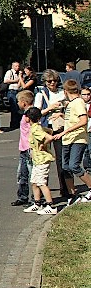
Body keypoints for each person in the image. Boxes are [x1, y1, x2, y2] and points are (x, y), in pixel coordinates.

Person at [33, 70, 71, 201]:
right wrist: (50, 108)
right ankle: (41, 191)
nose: (53, 83)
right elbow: (36, 113)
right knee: (42, 160)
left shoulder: (62, 92)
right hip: (46, 128)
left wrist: (61, 110)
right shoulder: (41, 94)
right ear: (45, 82)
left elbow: (68, 109)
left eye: (55, 80)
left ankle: (65, 189)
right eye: (49, 81)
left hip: (59, 127)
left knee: (61, 158)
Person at [52, 79, 91, 205]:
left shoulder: (78, 102)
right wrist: (61, 116)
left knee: (74, 165)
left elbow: (83, 120)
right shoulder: (71, 104)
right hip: (68, 139)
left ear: (65, 91)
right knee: (65, 167)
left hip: (77, 139)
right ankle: (72, 194)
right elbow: (73, 119)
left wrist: (65, 131)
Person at [24, 107, 57, 215]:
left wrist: (43, 144)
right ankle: (37, 203)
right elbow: (50, 131)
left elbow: (49, 137)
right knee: (34, 182)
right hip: (37, 160)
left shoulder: (36, 129)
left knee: (41, 183)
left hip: (42, 159)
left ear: (28, 118)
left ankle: (50, 205)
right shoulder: (37, 127)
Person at [11, 90, 35, 207]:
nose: (17, 103)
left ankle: (36, 198)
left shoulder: (31, 114)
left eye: (18, 101)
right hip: (23, 148)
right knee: (22, 174)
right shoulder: (25, 114)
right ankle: (22, 196)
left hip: (30, 148)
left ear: (24, 102)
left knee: (32, 175)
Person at [3, 61, 22, 130]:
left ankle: (18, 123)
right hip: (11, 91)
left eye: (18, 66)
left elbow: (20, 83)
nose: (18, 67)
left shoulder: (19, 73)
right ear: (13, 66)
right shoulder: (9, 72)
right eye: (16, 66)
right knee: (14, 108)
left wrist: (20, 77)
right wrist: (15, 80)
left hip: (18, 91)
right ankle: (13, 124)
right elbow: (5, 81)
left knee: (18, 108)